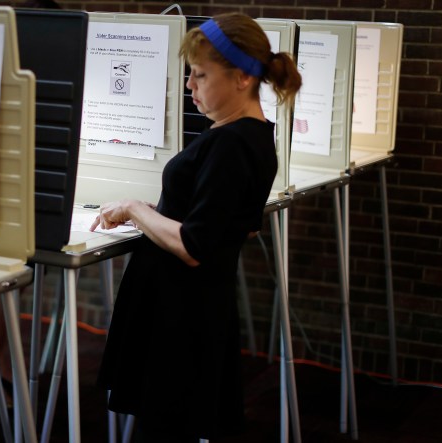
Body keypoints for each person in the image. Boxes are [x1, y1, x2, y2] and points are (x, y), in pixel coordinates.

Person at [91, 13, 302, 442]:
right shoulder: (247, 136)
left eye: (201, 75)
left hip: (180, 313)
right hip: (188, 307)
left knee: (163, 430)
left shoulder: (233, 145)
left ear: (242, 77)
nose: (190, 86)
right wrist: (158, 209)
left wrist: (134, 208)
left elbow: (194, 244)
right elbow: (227, 223)